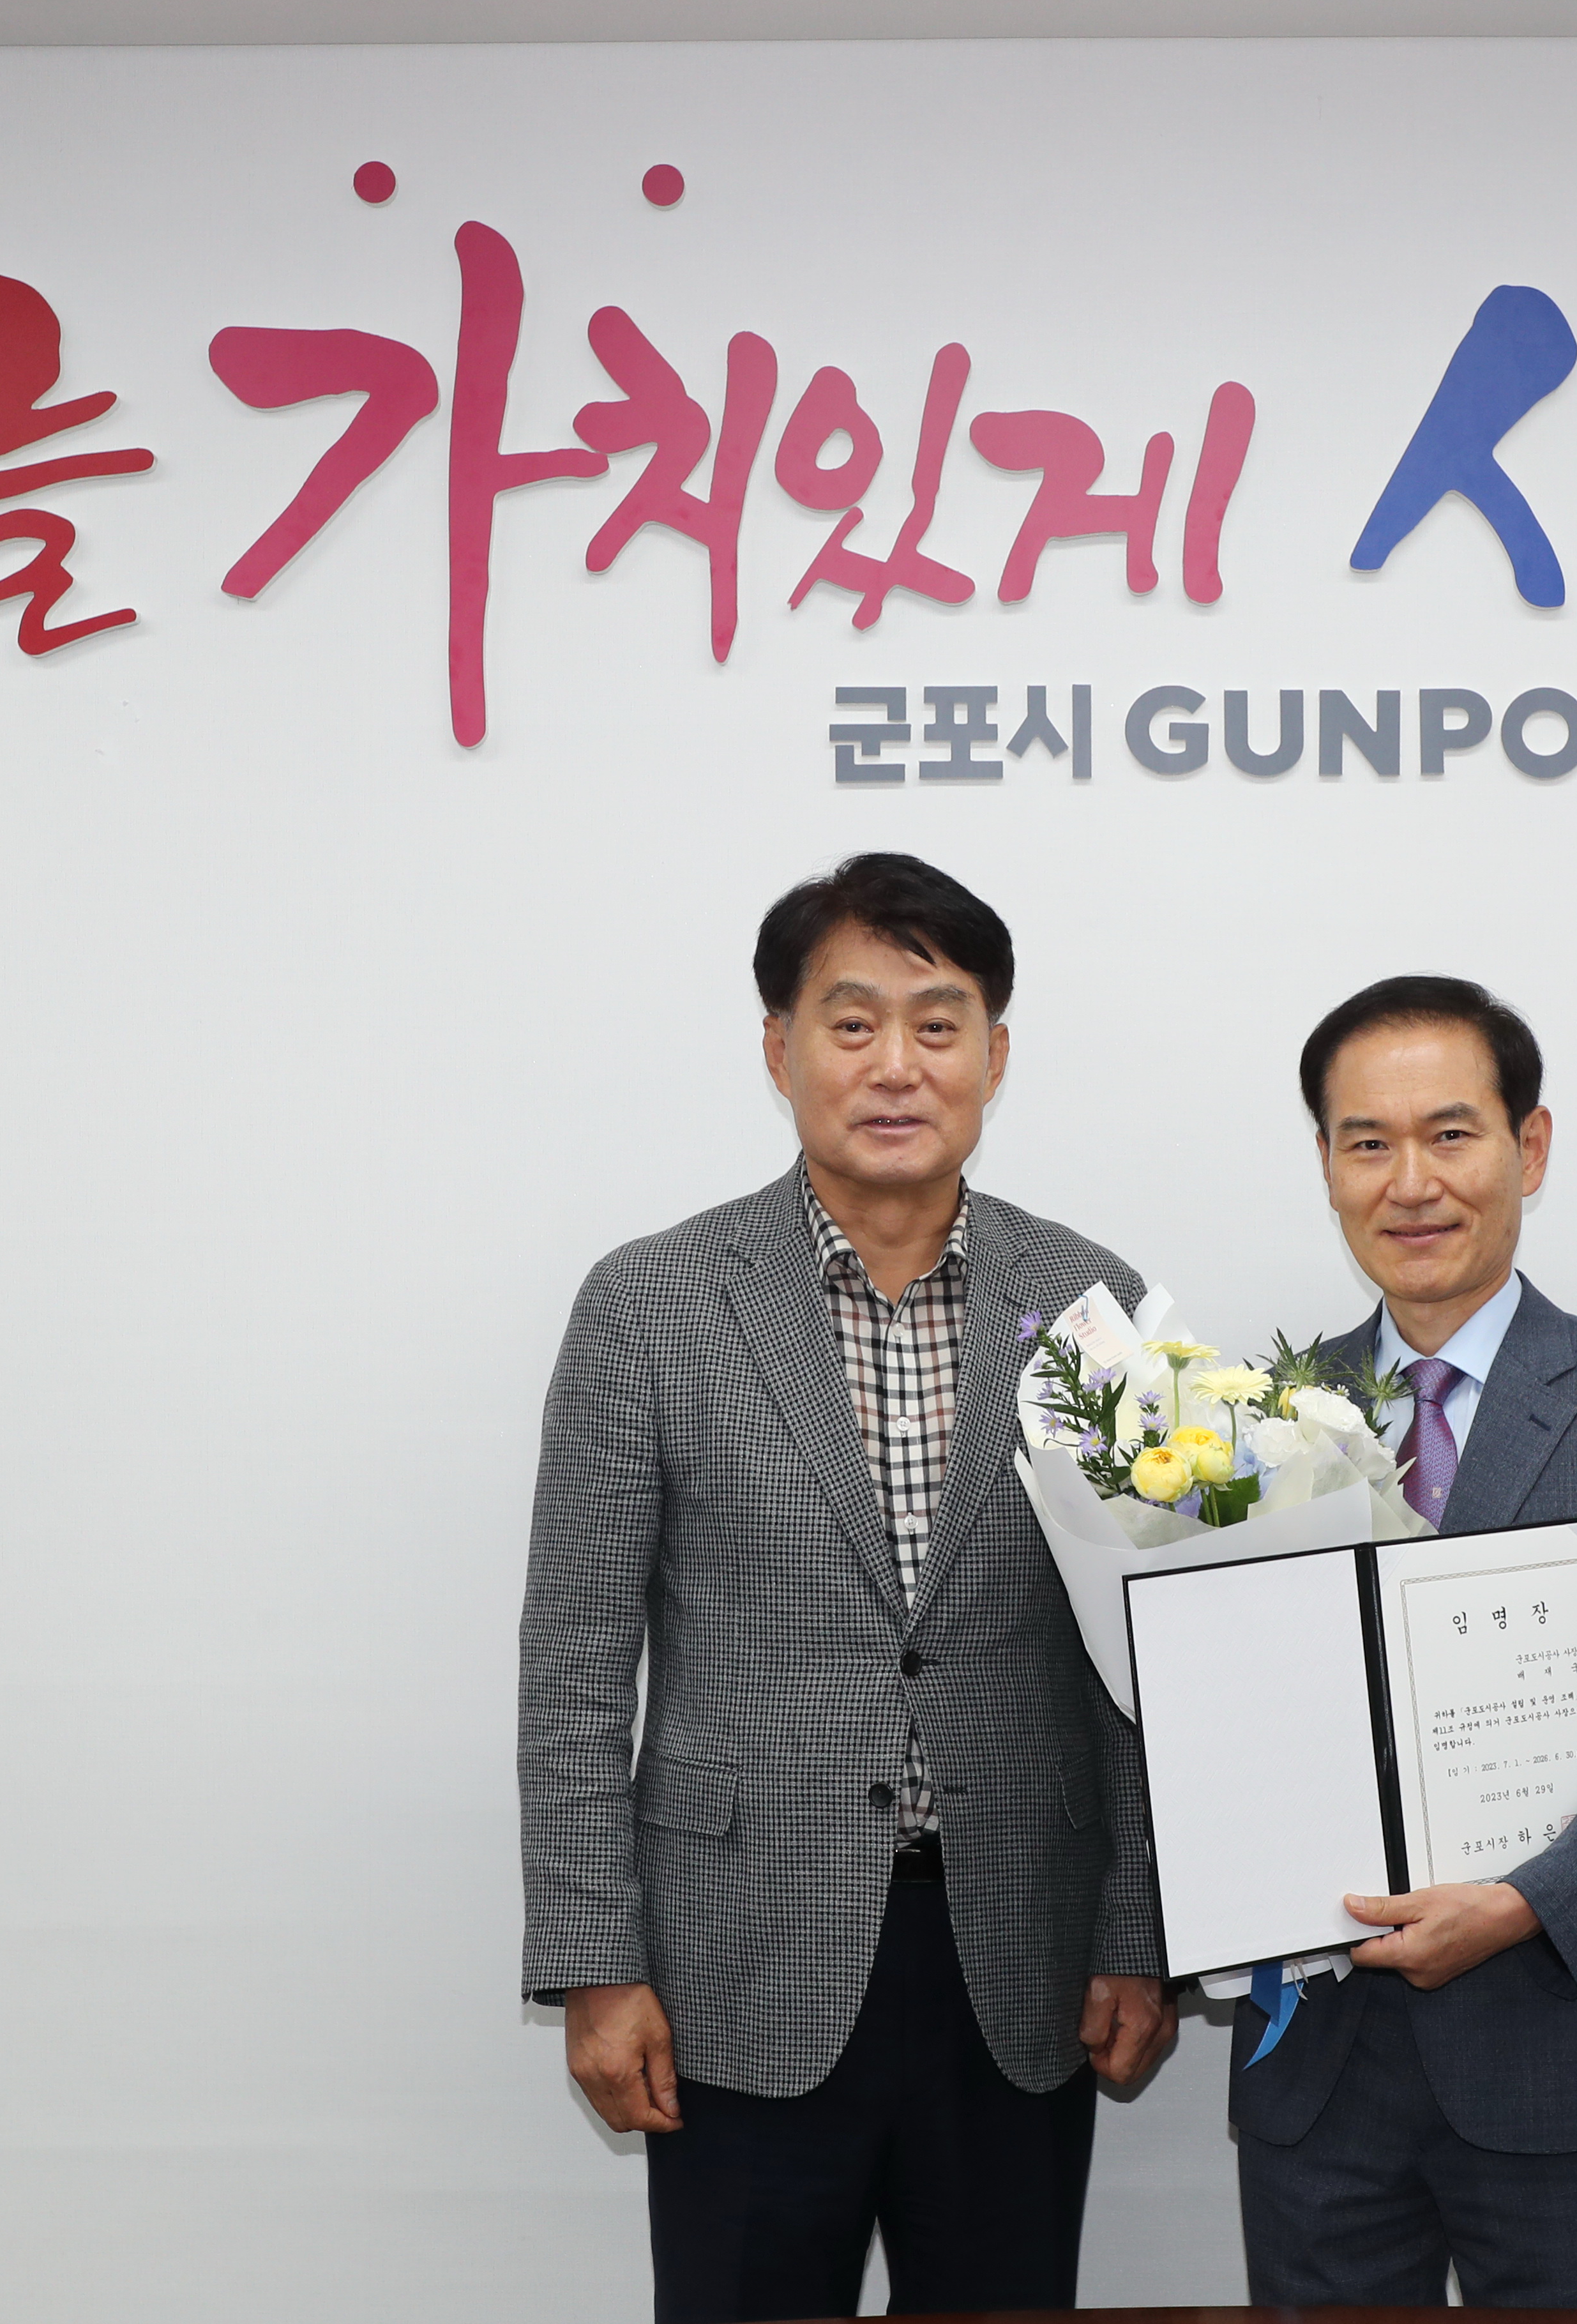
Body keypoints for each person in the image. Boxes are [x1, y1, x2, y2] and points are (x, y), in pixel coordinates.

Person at [519, 853, 1175, 2324]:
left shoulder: (1091, 1305)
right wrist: (594, 1964)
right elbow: (574, 1665)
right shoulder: (650, 1305)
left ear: (995, 1055)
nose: (897, 1065)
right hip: (736, 1962)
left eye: (939, 1025)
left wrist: (1135, 1933)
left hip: (1019, 1960)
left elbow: (1142, 1664)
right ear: (780, 1048)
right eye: (854, 1021)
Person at [1232, 973, 1577, 2308]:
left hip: (1566, 2049)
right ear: (1326, 1165)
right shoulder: (1250, 1421)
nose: (1411, 1182)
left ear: (1529, 1148)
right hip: (1322, 2078)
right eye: (1369, 1142)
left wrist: (1529, 1902)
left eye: (1450, 1134)